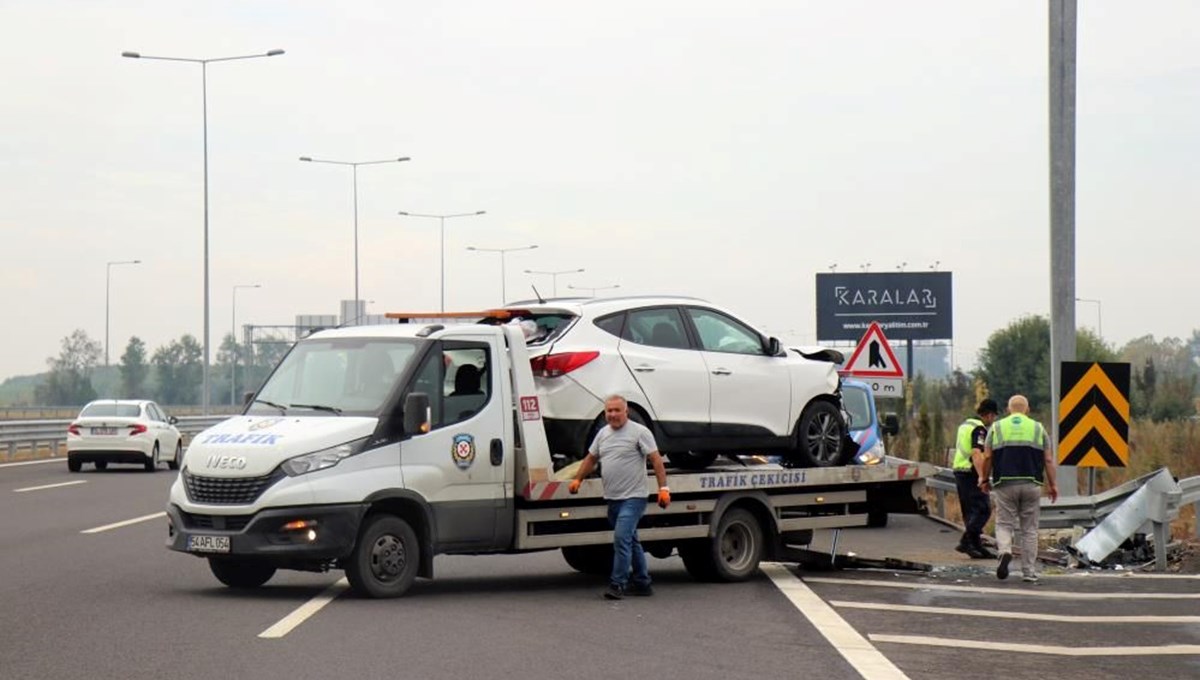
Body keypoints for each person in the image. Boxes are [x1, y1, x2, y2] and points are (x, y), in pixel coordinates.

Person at [568, 395, 670, 600]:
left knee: (621, 538)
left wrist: (664, 488)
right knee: (631, 541)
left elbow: (656, 461)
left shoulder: (640, 432)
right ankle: (642, 583)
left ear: (626, 412)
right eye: (609, 411)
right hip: (613, 498)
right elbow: (591, 458)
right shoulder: (602, 434)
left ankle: (618, 584)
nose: (613, 415)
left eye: (617, 410)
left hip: (634, 497)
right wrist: (578, 479)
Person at [980, 394, 1058, 583]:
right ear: (1027, 409)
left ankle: (1005, 551)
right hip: (1031, 483)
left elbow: (988, 457)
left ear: (1008, 410)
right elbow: (1048, 459)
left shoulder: (997, 427)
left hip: (1005, 483)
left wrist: (984, 479)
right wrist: (1053, 484)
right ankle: (1029, 571)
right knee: (1029, 529)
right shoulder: (1038, 428)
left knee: (1004, 524)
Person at [952, 399, 1000, 559]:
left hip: (959, 470)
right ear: (989, 415)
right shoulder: (979, 429)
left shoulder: (965, 425)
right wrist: (983, 477)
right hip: (970, 472)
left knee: (971, 512)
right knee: (983, 509)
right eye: (993, 417)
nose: (993, 421)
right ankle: (966, 542)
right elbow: (976, 453)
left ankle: (976, 546)